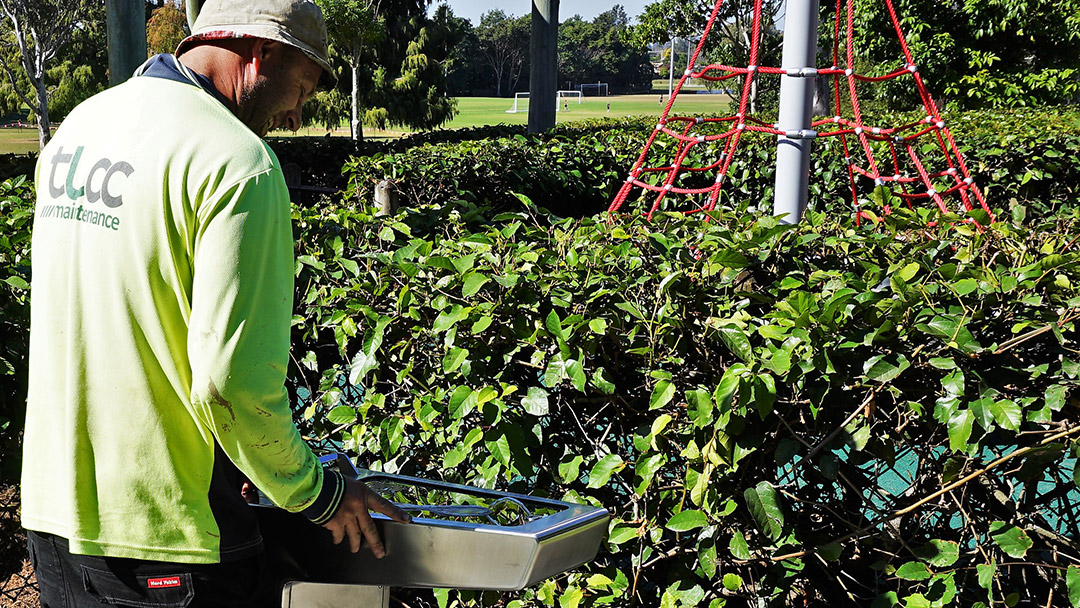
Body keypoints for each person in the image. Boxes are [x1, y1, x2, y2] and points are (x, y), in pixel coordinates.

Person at [19, 0, 410, 606]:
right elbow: (232, 384)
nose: (297, 114)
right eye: (300, 89)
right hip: (171, 537)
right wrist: (320, 493)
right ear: (263, 53)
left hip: (55, 517)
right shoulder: (238, 163)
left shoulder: (81, 126)